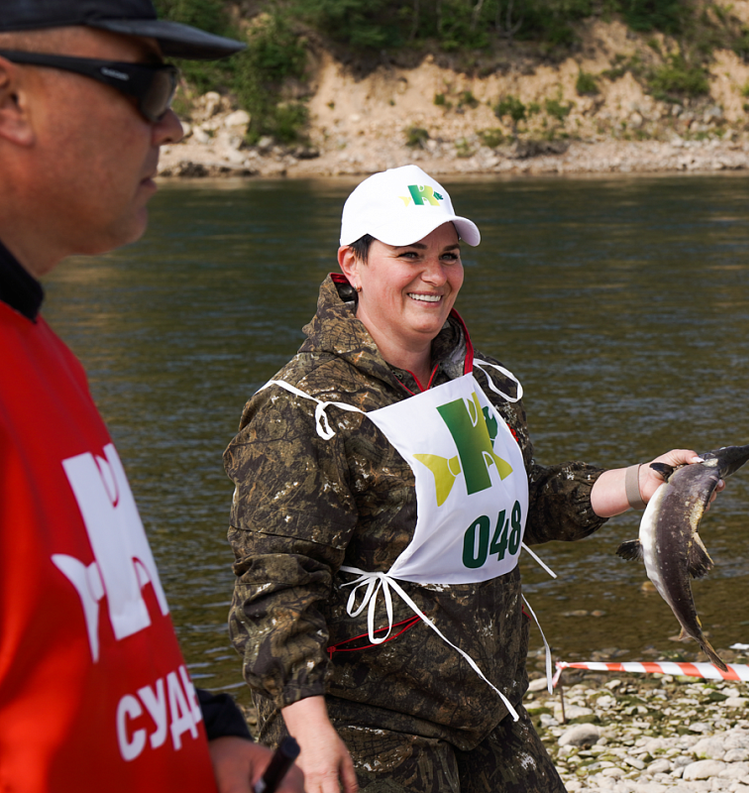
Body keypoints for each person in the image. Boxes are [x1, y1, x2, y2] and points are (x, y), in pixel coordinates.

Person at [224, 164, 704, 793]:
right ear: (353, 263)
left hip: (487, 709)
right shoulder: (300, 409)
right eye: (409, 254)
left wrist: (643, 481)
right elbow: (275, 590)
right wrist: (311, 737)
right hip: (367, 724)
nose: (435, 275)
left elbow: (519, 502)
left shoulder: (479, 384)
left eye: (449, 255)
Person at [0, 2, 303, 791]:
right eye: (145, 87)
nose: (171, 128)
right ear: (7, 98)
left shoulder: (41, 351)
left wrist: (205, 741)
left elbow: (78, 650)